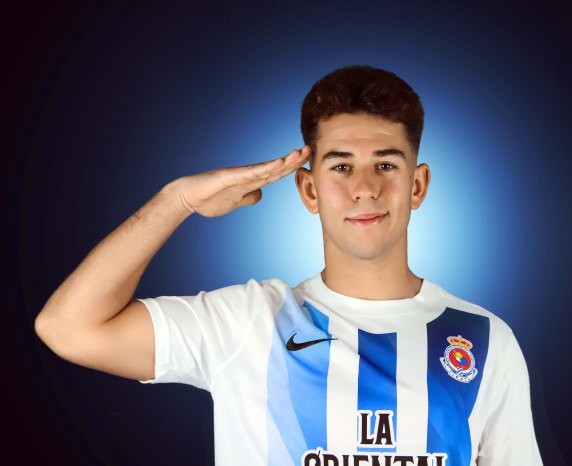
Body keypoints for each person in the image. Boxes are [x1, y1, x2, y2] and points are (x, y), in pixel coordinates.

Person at [35, 65, 543, 466]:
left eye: (386, 164)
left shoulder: (483, 341)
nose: (365, 188)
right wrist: (177, 201)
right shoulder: (248, 323)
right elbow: (69, 328)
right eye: (341, 166)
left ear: (418, 186)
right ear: (309, 189)